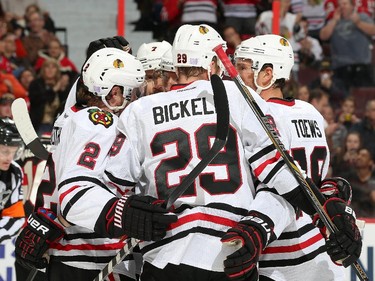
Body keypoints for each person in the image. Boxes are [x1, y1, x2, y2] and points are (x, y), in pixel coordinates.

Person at [79, 24, 358, 281]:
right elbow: (274, 169)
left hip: (164, 252)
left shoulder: (139, 110)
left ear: (177, 64)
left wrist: (128, 214)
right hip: (229, 252)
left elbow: (114, 185)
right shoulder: (238, 96)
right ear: (213, 62)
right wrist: (324, 209)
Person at [15, 46, 146, 280]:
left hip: (59, 251)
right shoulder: (102, 123)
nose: (134, 100)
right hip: (91, 253)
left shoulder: (71, 119)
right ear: (114, 93)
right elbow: (86, 186)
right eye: (132, 93)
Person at [234, 34, 345, 280]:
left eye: (242, 67)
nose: (234, 75)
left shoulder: (257, 115)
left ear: (267, 74)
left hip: (274, 251)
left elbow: (274, 182)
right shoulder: (311, 112)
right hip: (314, 246)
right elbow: (318, 179)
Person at [319, 0, 375, 88]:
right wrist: (334, 21)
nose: (342, 7)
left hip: (361, 65)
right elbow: (323, 36)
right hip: (340, 66)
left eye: (345, 4)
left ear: (352, 6)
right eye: (340, 5)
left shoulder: (362, 17)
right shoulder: (333, 21)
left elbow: (373, 31)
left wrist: (358, 23)